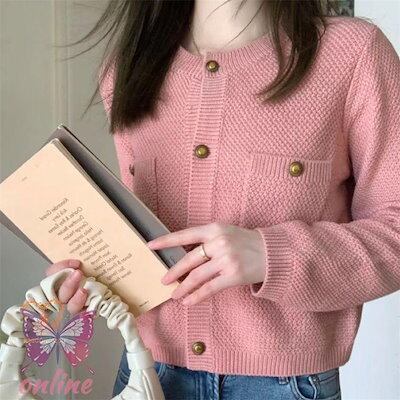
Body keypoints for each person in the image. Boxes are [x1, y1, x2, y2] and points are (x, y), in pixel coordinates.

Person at [44, 1, 400, 399]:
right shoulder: (127, 67)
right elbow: (147, 242)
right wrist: (94, 275)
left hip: (284, 387)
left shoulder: (353, 55)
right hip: (145, 373)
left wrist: (269, 255)